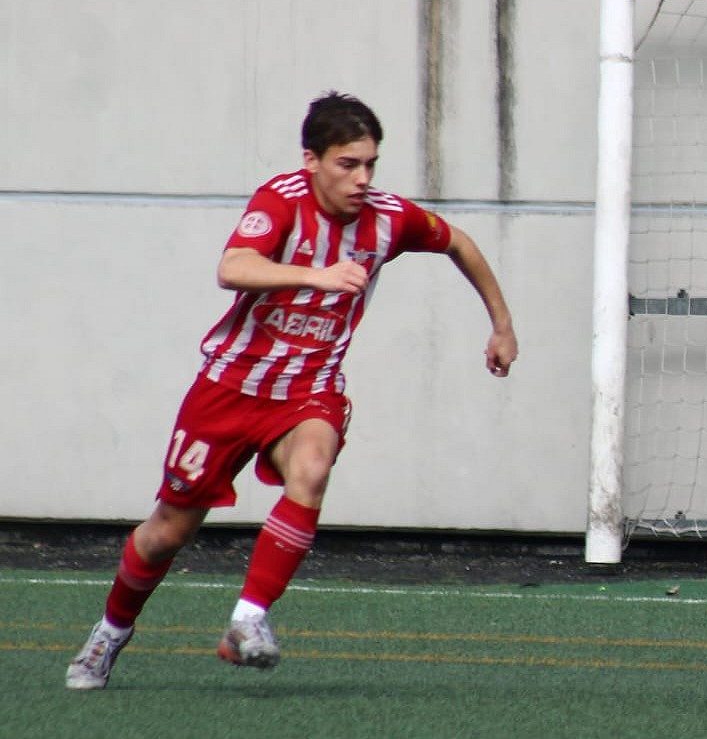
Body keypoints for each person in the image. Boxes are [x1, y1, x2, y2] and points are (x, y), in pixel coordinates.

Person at [66, 91, 518, 690]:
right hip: (230, 387)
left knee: (313, 467)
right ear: (312, 160)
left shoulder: (389, 218)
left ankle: (248, 620)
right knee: (167, 533)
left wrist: (502, 324)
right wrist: (317, 275)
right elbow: (233, 267)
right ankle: (109, 635)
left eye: (370, 164)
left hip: (310, 389)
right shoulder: (280, 200)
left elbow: (458, 240)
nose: (362, 178)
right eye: (347, 164)